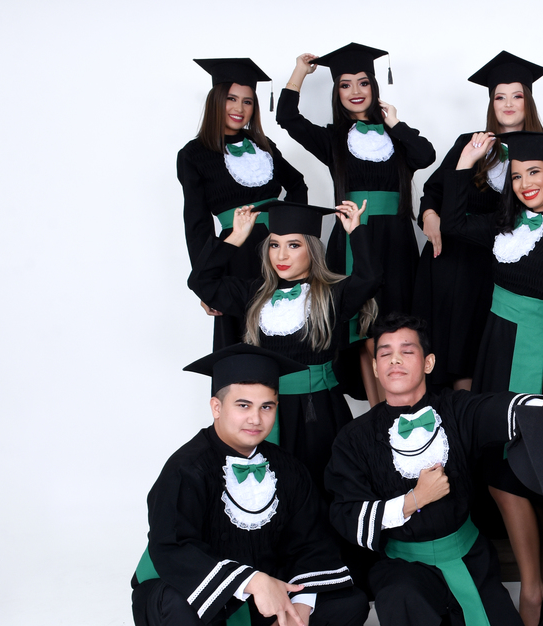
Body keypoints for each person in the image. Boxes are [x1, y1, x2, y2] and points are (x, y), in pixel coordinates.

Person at [324, 312, 543, 626]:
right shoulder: (353, 438)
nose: (395, 360)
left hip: (469, 559)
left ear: (428, 362)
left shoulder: (456, 408)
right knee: (401, 592)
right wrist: (412, 500)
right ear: (375, 368)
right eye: (385, 353)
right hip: (406, 566)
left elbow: (504, 407)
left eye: (407, 351)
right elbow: (346, 514)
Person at [131, 344, 369, 626]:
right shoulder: (185, 469)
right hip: (186, 600)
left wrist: (304, 603)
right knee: (175, 606)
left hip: (250, 604)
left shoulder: (287, 468)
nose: (256, 419)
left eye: (267, 406)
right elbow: (171, 548)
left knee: (350, 605)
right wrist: (254, 580)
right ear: (216, 407)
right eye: (242, 405)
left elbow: (310, 541)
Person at [440, 130, 543, 626]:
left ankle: (533, 589)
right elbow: (453, 222)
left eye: (534, 172)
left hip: (535, 356)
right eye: (516, 175)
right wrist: (465, 162)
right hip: (492, 349)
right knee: (494, 469)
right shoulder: (501, 223)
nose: (526, 183)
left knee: (515, 471)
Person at [278, 43, 436, 403]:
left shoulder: (396, 137)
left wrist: (395, 123)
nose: (355, 91)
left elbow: (426, 155)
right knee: (363, 332)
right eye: (345, 85)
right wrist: (300, 71)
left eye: (363, 83)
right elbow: (287, 118)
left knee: (397, 329)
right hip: (353, 240)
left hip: (396, 242)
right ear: (337, 92)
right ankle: (380, 414)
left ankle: (403, 407)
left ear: (374, 87)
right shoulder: (332, 139)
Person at [187, 199, 379, 495]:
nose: (281, 255)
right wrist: (236, 236)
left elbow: (370, 278)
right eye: (274, 245)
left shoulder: (332, 295)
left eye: (293, 245)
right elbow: (201, 281)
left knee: (322, 487)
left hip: (319, 412)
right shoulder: (253, 294)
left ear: (311, 249)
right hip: (268, 412)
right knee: (274, 489)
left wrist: (356, 230)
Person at [414, 51, 543, 391]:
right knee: (441, 353)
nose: (508, 104)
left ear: (528, 101)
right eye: (499, 97)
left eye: (516, 96)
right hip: (448, 259)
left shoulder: (542, 151)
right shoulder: (471, 143)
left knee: (479, 355)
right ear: (491, 103)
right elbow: (433, 190)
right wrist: (429, 215)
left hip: (493, 264)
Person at [178, 58, 308, 350]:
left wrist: (294, 231)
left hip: (278, 250)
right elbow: (197, 225)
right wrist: (206, 283)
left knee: (289, 327)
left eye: (247, 102)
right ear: (216, 101)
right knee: (245, 337)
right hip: (235, 256)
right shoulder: (193, 154)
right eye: (231, 99)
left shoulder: (263, 144)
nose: (239, 108)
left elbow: (297, 184)